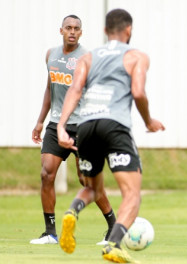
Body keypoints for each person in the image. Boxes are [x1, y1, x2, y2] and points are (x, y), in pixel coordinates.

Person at [57, 8, 165, 263]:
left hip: (85, 126)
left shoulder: (89, 57)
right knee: (132, 194)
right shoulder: (136, 56)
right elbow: (138, 92)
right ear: (129, 30)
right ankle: (113, 245)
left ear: (105, 31)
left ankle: (72, 212)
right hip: (114, 126)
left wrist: (62, 126)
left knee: (93, 188)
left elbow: (74, 90)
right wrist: (148, 121)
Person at [30, 15, 116, 246]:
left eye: (77, 28)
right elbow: (50, 88)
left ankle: (113, 226)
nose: (72, 31)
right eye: (68, 27)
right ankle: (50, 232)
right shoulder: (51, 54)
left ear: (81, 33)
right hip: (56, 124)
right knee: (47, 173)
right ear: (61, 30)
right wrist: (40, 121)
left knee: (86, 180)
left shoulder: (88, 59)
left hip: (83, 126)